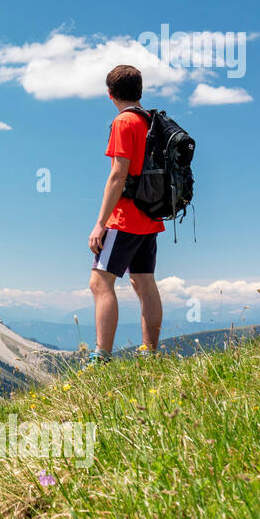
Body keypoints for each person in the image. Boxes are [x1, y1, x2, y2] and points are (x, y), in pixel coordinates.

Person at [86, 65, 163, 363]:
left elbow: (118, 176)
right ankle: (150, 353)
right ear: (139, 90)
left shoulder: (124, 122)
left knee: (100, 282)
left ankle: (101, 357)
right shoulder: (152, 121)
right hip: (151, 216)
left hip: (126, 216)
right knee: (144, 281)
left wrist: (100, 223)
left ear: (110, 94)